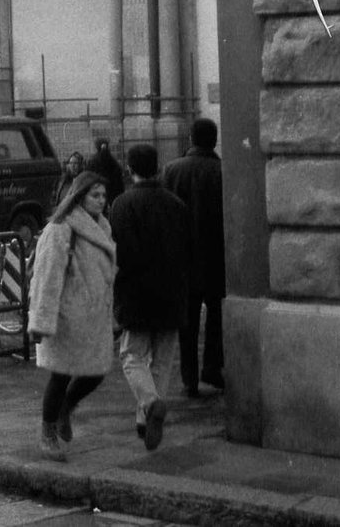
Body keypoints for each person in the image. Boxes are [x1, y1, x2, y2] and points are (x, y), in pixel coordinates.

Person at [105, 144, 190, 450]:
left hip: (137, 293)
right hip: (172, 292)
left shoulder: (122, 204)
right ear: (157, 167)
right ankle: (145, 419)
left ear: (130, 169)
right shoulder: (176, 203)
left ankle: (151, 404)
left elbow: (119, 253)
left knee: (131, 356)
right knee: (163, 360)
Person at [28, 170, 116, 461]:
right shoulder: (61, 228)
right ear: (79, 196)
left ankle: (66, 408)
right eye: (95, 195)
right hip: (67, 314)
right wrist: (41, 321)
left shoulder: (102, 226)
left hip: (94, 314)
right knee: (61, 374)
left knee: (98, 371)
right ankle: (47, 433)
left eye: (104, 195)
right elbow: (47, 275)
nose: (101, 201)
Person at [164, 117, 226, 396]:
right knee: (216, 316)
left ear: (190, 139)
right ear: (214, 140)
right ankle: (212, 368)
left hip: (182, 259)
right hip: (216, 257)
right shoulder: (223, 171)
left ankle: (188, 378)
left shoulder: (172, 171)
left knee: (186, 320)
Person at [84, 138, 126, 205]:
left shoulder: (92, 162)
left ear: (96, 148)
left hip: (97, 195)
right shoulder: (114, 162)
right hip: (114, 196)